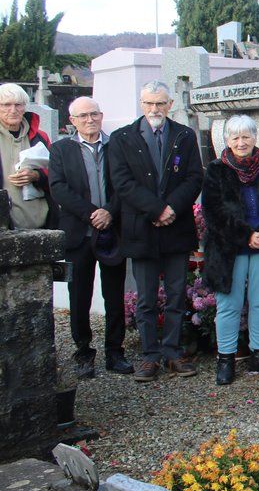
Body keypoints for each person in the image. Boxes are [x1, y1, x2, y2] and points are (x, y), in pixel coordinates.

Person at [108, 81, 204, 382]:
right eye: (149, 103)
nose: (155, 109)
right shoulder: (122, 138)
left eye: (160, 103)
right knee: (146, 297)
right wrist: (155, 209)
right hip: (142, 228)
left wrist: (171, 208)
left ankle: (173, 352)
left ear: (170, 103)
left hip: (175, 227)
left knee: (177, 294)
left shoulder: (184, 135)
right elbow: (122, 182)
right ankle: (150, 356)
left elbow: (193, 177)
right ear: (141, 104)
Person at [49, 96, 131, 377]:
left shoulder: (116, 147)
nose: (89, 120)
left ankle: (115, 351)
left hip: (112, 232)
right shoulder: (61, 150)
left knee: (114, 295)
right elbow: (58, 187)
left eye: (93, 114)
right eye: (82, 116)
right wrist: (91, 214)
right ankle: (83, 351)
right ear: (72, 121)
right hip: (80, 234)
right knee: (79, 296)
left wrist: (109, 211)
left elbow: (125, 183)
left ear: (101, 115)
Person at [201, 115, 259, 385]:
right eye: (235, 137)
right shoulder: (216, 170)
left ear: (255, 137)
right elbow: (213, 212)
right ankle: (226, 358)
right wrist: (245, 235)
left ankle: (258, 355)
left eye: (246, 136)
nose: (241, 142)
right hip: (229, 248)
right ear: (226, 140)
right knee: (229, 305)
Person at [0, 83, 53, 229]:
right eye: (6, 105)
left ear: (25, 107)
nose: (13, 110)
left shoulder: (40, 137)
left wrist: (36, 176)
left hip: (38, 219)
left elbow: (57, 173)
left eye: (18, 104)